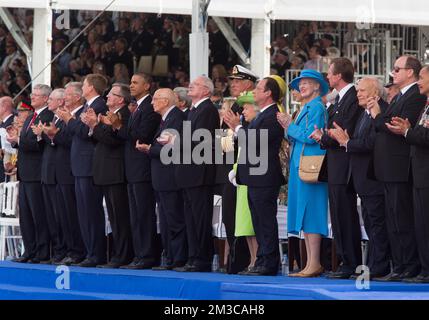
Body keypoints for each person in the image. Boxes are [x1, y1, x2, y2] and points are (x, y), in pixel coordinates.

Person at [368, 55, 426, 282]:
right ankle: (401, 265)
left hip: (401, 166)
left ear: (409, 72)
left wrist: (378, 117)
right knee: (393, 220)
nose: (393, 73)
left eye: (396, 69)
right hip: (389, 167)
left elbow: (396, 125)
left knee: (403, 220)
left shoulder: (414, 97)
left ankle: (410, 265)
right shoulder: (401, 95)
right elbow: (388, 123)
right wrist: (382, 118)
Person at [328, 77, 390, 279]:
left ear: (376, 92)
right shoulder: (365, 112)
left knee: (377, 223)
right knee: (372, 224)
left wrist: (347, 142)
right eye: (358, 90)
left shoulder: (380, 110)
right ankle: (374, 264)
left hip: (373, 176)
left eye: (363, 90)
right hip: (362, 178)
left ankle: (379, 266)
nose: (358, 94)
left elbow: (372, 142)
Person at [224, 77, 286, 276]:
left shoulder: (273, 115)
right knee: (258, 221)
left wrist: (237, 127)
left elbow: (255, 142)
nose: (255, 92)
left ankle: (269, 262)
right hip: (255, 176)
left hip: (265, 176)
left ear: (269, 93)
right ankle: (261, 259)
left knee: (265, 220)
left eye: (259, 88)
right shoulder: (262, 116)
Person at [310, 58, 363, 279]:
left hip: (345, 166)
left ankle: (351, 263)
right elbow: (332, 132)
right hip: (335, 166)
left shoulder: (351, 99)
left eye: (330, 74)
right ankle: (345, 261)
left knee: (345, 216)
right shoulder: (340, 99)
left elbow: (344, 132)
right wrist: (326, 136)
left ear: (339, 76)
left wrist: (326, 136)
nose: (328, 77)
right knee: (338, 216)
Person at [277, 69, 329, 277]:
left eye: (307, 82)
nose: (302, 86)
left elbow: (310, 136)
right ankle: (310, 262)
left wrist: (289, 125)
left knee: (312, 213)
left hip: (311, 166)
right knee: (305, 214)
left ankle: (314, 262)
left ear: (317, 86)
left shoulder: (316, 107)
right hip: (302, 165)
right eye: (301, 83)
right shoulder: (307, 107)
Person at [56, 74, 108, 267]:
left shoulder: (99, 106)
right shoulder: (88, 106)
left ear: (91, 88)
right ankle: (90, 252)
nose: (83, 87)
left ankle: (96, 254)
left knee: (91, 212)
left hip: (89, 166)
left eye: (84, 84)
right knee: (83, 213)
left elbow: (86, 133)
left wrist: (70, 119)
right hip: (79, 165)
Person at [385, 65, 429, 283]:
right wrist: (410, 130)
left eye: (423, 77)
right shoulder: (426, 105)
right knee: (420, 224)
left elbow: (425, 136)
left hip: (424, 174)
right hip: (419, 173)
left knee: (423, 224)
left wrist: (407, 131)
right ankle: (423, 269)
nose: (419, 81)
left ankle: (425, 270)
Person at [83, 83, 133, 268]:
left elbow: (112, 140)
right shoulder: (107, 115)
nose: (107, 98)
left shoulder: (124, 114)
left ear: (120, 99)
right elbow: (101, 137)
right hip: (106, 170)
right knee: (113, 217)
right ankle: (118, 254)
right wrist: (95, 125)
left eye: (111, 95)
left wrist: (95, 125)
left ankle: (123, 255)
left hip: (116, 171)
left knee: (120, 217)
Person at [136, 88, 187, 270]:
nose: (152, 103)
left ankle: (178, 258)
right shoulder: (166, 119)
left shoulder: (175, 118)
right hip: (162, 177)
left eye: (156, 99)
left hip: (170, 176)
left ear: (165, 101)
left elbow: (171, 149)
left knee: (174, 219)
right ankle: (171, 257)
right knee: (165, 219)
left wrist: (149, 149)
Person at [174, 76, 220, 272]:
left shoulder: (207, 109)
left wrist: (174, 142)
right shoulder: (194, 110)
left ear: (206, 91)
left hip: (199, 172)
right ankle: (194, 257)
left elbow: (201, 140)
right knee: (191, 218)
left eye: (196, 84)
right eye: (190, 82)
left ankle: (201, 259)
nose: (190, 85)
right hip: (189, 172)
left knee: (200, 218)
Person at [216, 65, 258, 274]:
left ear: (249, 84)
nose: (233, 84)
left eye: (237, 81)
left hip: (246, 168)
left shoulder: (251, 107)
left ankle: (243, 261)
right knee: (230, 218)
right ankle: (235, 260)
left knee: (244, 217)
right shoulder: (233, 108)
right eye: (232, 81)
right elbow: (224, 146)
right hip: (230, 168)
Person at [119, 73, 161, 270]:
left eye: (135, 82)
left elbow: (143, 135)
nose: (131, 85)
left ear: (147, 86)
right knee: (135, 215)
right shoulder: (137, 107)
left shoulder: (150, 107)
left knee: (144, 214)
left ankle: (147, 255)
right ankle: (139, 254)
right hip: (133, 169)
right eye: (131, 81)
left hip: (143, 169)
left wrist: (119, 125)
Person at [9, 84, 54, 263]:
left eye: (36, 95)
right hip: (25, 173)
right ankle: (29, 250)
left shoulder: (47, 115)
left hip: (36, 173)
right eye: (32, 94)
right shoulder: (30, 118)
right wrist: (15, 141)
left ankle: (42, 252)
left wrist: (19, 139)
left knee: (38, 215)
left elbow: (38, 144)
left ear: (45, 98)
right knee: (26, 216)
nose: (32, 97)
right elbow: (27, 141)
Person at [47, 82, 85, 265]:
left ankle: (76, 250)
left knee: (71, 214)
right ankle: (69, 249)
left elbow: (72, 139)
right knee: (63, 215)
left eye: (68, 95)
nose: (65, 99)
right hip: (60, 171)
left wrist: (54, 135)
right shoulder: (62, 116)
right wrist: (52, 135)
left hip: (71, 170)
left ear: (77, 97)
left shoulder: (77, 115)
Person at [33, 89, 68, 264]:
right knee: (52, 216)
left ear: (61, 102)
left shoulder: (59, 118)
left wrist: (47, 135)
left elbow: (61, 141)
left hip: (60, 172)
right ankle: (58, 250)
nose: (48, 102)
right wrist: (44, 136)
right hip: (48, 172)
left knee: (61, 215)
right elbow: (50, 144)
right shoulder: (53, 117)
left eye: (51, 99)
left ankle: (63, 249)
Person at [228, 91, 259, 274]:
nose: (243, 111)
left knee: (251, 222)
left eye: (247, 107)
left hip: (252, 176)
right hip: (241, 177)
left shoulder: (254, 126)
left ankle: (256, 259)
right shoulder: (247, 126)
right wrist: (235, 169)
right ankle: (252, 259)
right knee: (244, 223)